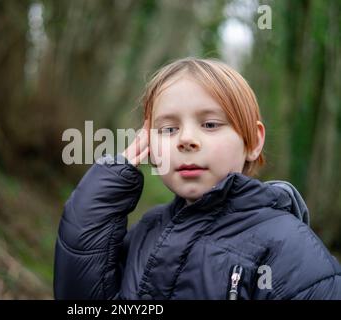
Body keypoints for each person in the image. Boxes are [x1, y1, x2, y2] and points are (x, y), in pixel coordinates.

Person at [54, 57, 341, 299]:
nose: (186, 140)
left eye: (210, 124)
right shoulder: (146, 232)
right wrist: (109, 182)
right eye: (168, 129)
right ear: (148, 143)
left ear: (253, 141)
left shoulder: (289, 249)